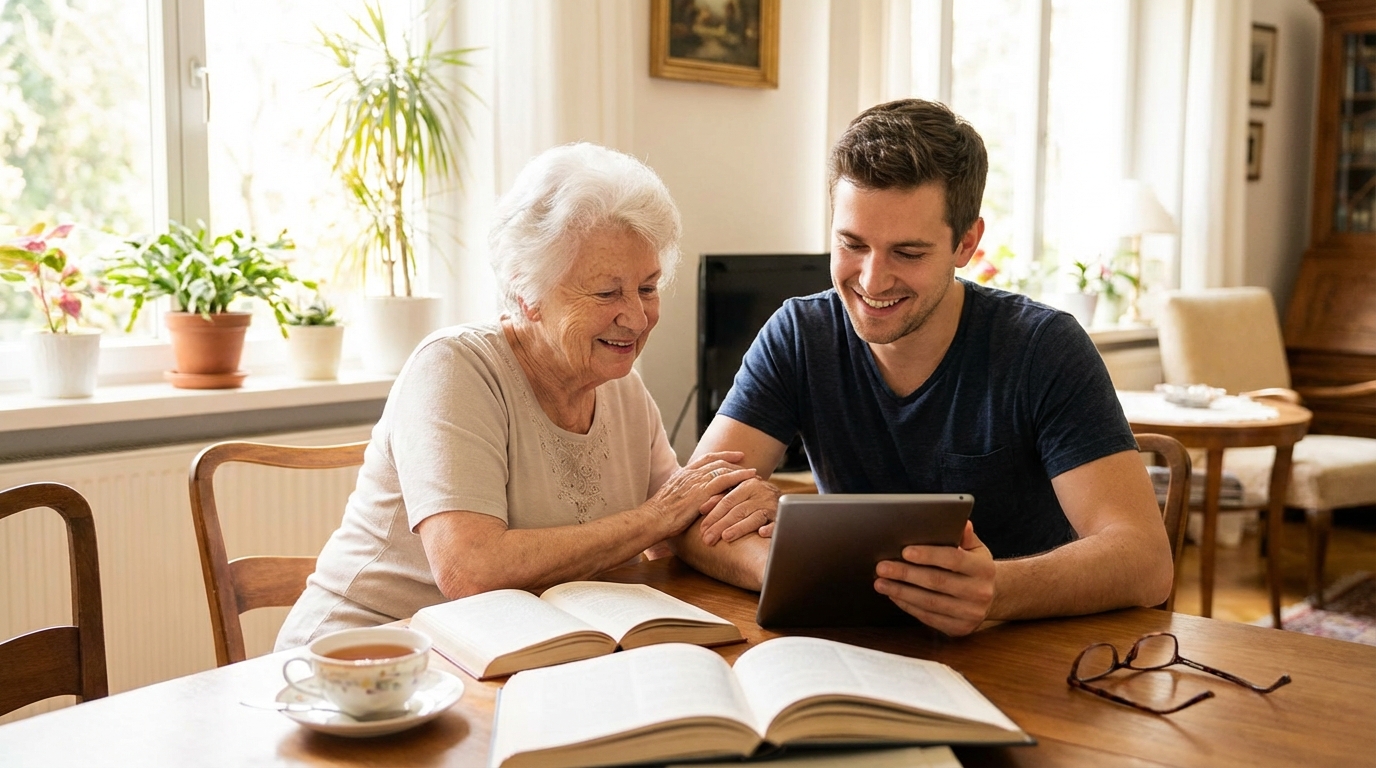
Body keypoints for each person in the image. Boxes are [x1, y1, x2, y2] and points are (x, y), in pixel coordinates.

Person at [673, 99, 1173, 636]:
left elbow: (1145, 561)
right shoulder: (799, 335)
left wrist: (996, 589)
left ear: (967, 243)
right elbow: (685, 515)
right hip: (859, 646)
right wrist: (787, 565)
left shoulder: (1042, 347)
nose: (871, 280)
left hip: (1023, 649)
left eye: (908, 253)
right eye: (852, 244)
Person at [276, 143, 754, 649]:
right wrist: (656, 518)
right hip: (368, 661)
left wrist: (748, 523)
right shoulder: (454, 367)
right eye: (606, 293)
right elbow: (471, 571)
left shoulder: (623, 388)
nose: (636, 318)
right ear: (527, 291)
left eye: (648, 288)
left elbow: (682, 524)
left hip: (517, 656)